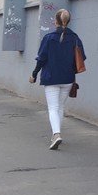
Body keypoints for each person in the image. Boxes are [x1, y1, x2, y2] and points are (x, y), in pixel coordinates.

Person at [31, 8, 85, 150]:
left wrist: (34, 74)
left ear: (55, 21)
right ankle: (56, 134)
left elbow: (41, 58)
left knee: (53, 108)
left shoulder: (49, 38)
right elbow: (82, 57)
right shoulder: (75, 38)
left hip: (51, 78)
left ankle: (56, 134)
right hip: (68, 78)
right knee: (60, 107)